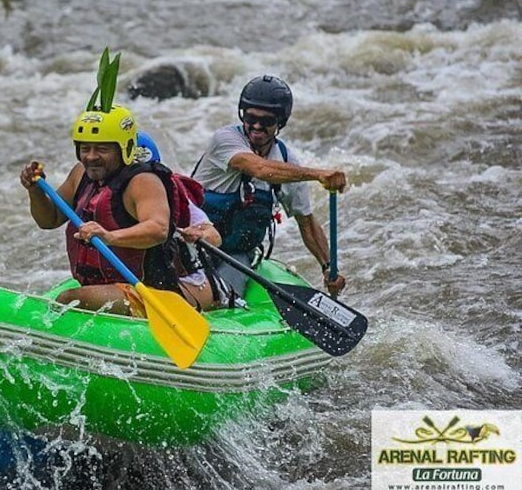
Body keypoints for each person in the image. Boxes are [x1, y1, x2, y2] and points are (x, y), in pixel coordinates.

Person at [19, 105, 197, 317]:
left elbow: (158, 229)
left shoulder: (143, 181)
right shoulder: (80, 174)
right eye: (85, 149)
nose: (91, 157)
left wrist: (110, 236)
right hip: (105, 289)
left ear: (124, 149)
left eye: (102, 149)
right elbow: (49, 220)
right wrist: (35, 191)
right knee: (70, 297)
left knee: (69, 300)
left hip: (147, 291)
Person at [191, 75, 347, 298]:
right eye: (250, 117)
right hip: (194, 244)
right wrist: (318, 174)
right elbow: (259, 169)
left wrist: (327, 267)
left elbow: (307, 222)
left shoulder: (286, 161)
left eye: (266, 121)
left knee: (226, 297)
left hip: (236, 255)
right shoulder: (224, 140)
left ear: (280, 123)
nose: (256, 126)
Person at [135, 131, 230, 312]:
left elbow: (215, 237)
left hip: (186, 283)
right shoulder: (103, 196)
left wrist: (199, 234)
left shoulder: (172, 197)